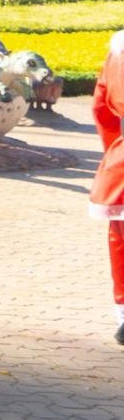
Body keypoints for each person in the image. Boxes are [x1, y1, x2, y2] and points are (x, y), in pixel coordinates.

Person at [90, 30, 124, 346]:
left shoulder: (117, 52)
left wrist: (114, 151)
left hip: (122, 163)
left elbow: (102, 109)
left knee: (120, 239)